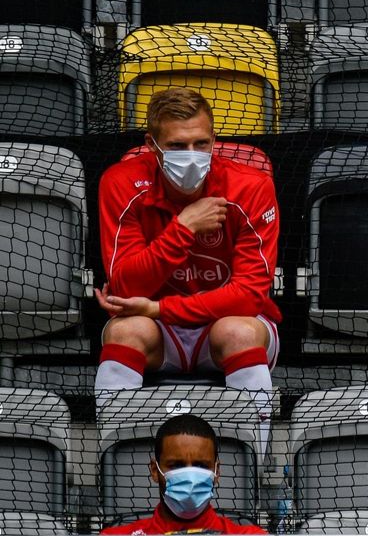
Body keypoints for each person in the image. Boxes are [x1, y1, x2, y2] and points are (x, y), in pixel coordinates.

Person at [93, 88, 281, 416]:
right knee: (124, 331)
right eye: (177, 146)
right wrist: (183, 228)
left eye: (201, 144)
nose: (192, 156)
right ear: (152, 145)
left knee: (239, 332)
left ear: (214, 140)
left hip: (224, 322)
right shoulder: (121, 181)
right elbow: (125, 286)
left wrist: (158, 307)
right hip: (154, 330)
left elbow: (250, 295)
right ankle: (115, 442)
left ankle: (255, 445)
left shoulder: (251, 186)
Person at [100, 412, 266, 535]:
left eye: (201, 465)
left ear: (217, 471)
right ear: (155, 470)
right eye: (176, 465)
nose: (190, 477)